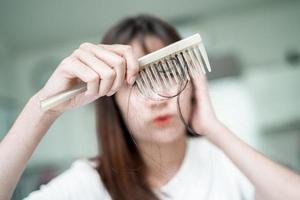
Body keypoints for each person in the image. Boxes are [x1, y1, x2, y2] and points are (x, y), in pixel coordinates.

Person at [0, 14, 300, 200]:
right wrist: (42, 110)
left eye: (168, 74)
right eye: (134, 82)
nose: (158, 99)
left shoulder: (225, 163)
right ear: (112, 102)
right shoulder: (89, 184)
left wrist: (213, 129)